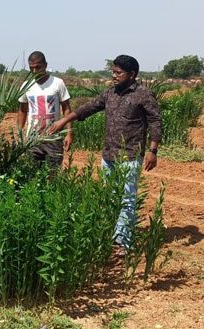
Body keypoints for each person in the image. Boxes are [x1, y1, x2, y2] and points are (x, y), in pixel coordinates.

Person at [48, 55, 162, 252]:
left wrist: (153, 150)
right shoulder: (110, 93)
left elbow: (155, 121)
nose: (114, 76)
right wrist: (64, 120)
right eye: (113, 72)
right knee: (110, 196)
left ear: (131, 75)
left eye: (118, 73)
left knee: (126, 199)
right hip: (109, 154)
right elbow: (89, 107)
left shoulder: (143, 94)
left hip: (130, 155)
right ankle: (112, 235)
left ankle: (124, 242)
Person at [17, 51, 72, 169]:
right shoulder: (26, 86)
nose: (34, 71)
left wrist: (69, 134)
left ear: (45, 65)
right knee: (33, 173)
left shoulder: (58, 83)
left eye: (38, 67)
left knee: (53, 173)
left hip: (53, 138)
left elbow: (66, 109)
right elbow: (22, 111)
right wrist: (20, 135)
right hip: (33, 139)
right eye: (31, 68)